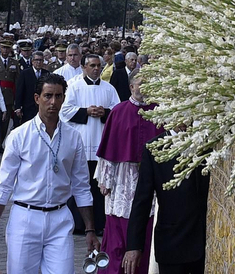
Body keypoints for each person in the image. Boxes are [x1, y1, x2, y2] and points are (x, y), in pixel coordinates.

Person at [0, 74, 98, 274]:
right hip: (25, 219)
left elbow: (81, 186)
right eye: (48, 96)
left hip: (60, 218)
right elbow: (3, 186)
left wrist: (90, 230)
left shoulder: (73, 137)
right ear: (37, 98)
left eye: (58, 96)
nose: (53, 102)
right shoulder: (19, 136)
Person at [95, 76, 162, 270]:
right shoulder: (119, 111)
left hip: (150, 177)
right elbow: (109, 149)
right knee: (118, 233)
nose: (144, 87)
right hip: (123, 178)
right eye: (141, 82)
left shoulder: (158, 111)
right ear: (131, 86)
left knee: (146, 225)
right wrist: (105, 181)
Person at [122, 145, 208, 274]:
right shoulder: (155, 149)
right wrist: (134, 246)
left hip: (204, 243)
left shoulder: (207, 143)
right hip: (171, 243)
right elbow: (142, 200)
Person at [61, 54, 119, 237]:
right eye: (92, 65)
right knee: (79, 183)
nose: (96, 69)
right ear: (84, 67)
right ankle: (77, 223)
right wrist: (86, 111)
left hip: (100, 143)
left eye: (98, 66)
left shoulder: (109, 89)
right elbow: (65, 110)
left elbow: (117, 112)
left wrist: (105, 112)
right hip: (82, 141)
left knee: (98, 185)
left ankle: (99, 224)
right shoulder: (73, 86)